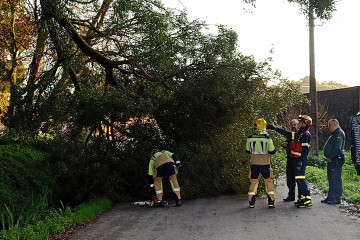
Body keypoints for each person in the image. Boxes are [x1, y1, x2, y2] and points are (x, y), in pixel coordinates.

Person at [268, 115, 312, 208]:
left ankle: (307, 199)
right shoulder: (299, 134)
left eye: (300, 122)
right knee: (299, 179)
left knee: (300, 179)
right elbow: (287, 133)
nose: (299, 123)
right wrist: (274, 128)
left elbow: (305, 151)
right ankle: (304, 199)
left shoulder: (305, 135)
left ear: (304, 124)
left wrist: (300, 161)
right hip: (295, 160)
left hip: (299, 161)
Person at [246, 118, 276, 208]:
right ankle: (271, 201)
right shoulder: (267, 138)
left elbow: (247, 150)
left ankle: (252, 202)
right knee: (268, 182)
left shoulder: (250, 138)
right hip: (265, 165)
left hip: (254, 164)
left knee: (253, 183)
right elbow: (273, 151)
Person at [321, 119, 345, 205]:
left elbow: (337, 148)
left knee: (335, 178)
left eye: (329, 125)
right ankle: (331, 196)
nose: (328, 128)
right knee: (331, 178)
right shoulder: (335, 134)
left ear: (335, 125)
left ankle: (336, 198)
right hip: (333, 159)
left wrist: (330, 157)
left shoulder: (338, 134)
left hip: (336, 159)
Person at [281, 119, 299, 202]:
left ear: (298, 125)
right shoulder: (290, 135)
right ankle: (291, 195)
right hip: (289, 159)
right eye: (291, 124)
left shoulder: (300, 134)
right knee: (290, 178)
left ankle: (301, 197)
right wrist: (284, 145)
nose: (293, 126)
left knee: (299, 179)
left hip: (297, 160)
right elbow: (286, 144)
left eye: (294, 124)